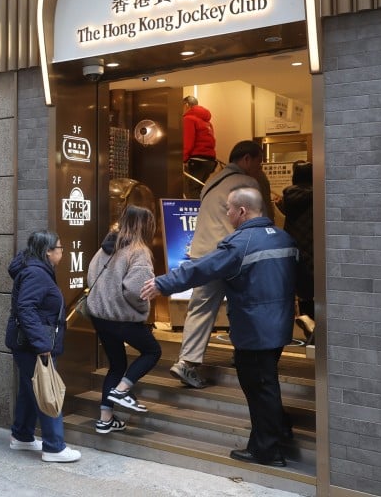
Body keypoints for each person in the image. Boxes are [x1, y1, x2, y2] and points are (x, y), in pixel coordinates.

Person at [143, 187, 297, 467]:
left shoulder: (241, 243)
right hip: (279, 326)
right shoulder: (283, 238)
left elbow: (202, 268)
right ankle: (277, 430)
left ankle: (268, 450)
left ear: (242, 211)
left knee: (259, 387)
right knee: (266, 383)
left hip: (254, 330)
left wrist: (162, 283)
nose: (226, 214)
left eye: (228, 208)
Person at [170, 140, 264, 389]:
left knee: (200, 308)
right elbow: (256, 222)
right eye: (258, 162)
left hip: (202, 253)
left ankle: (186, 362)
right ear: (246, 159)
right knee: (244, 305)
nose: (260, 167)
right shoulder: (247, 184)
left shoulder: (213, 180)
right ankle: (243, 354)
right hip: (229, 254)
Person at [85, 205, 162, 434]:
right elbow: (136, 290)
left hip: (100, 317)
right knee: (152, 351)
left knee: (117, 364)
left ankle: (105, 419)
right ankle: (122, 390)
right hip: (122, 318)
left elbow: (91, 277)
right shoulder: (139, 251)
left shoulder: (105, 247)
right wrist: (141, 309)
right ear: (146, 225)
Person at [5, 231, 80, 463]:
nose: (62, 251)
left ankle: (22, 435)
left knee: (31, 388)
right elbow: (26, 308)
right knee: (46, 390)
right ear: (48, 251)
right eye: (59, 247)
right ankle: (54, 447)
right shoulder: (37, 274)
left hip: (28, 344)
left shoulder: (35, 269)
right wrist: (41, 344)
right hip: (33, 345)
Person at [276, 161, 315, 335]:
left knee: (303, 292)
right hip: (316, 249)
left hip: (295, 249)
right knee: (319, 292)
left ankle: (307, 324)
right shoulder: (318, 195)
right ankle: (315, 330)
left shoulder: (289, 198)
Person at [182, 95, 217, 198]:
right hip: (209, 161)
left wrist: (183, 159)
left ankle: (195, 214)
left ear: (187, 105)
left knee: (191, 191)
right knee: (199, 190)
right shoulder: (207, 122)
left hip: (196, 161)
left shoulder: (188, 119)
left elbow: (188, 141)